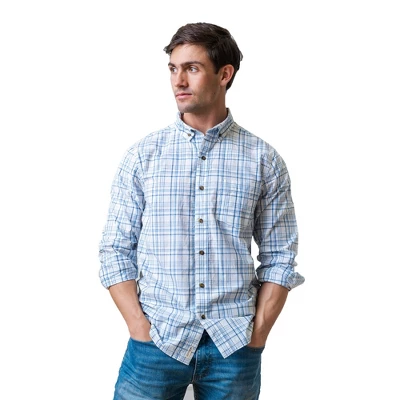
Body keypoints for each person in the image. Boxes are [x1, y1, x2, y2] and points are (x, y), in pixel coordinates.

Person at [99, 22, 305, 400]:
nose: (178, 81)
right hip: (156, 342)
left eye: (192, 68)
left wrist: (257, 335)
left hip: (234, 347)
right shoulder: (143, 157)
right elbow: (114, 250)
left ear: (224, 74)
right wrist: (138, 327)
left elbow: (280, 257)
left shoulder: (263, 160)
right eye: (173, 69)